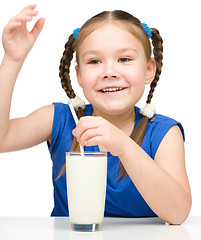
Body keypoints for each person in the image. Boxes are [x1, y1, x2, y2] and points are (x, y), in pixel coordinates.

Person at [0, 4, 191, 224]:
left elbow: (178, 213)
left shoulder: (164, 133)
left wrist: (124, 146)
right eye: (94, 61)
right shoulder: (61, 119)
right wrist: (12, 60)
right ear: (79, 76)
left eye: (125, 59)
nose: (109, 72)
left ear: (149, 70)